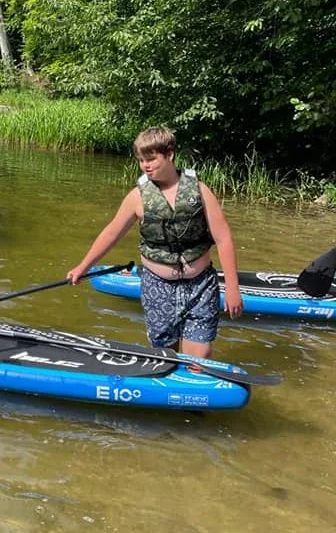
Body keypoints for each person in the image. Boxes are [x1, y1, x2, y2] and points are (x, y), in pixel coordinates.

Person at [67, 126, 243, 359]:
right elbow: (111, 234)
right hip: (157, 287)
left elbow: (223, 238)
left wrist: (232, 288)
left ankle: (192, 391)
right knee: (165, 357)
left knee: (198, 358)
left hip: (200, 285)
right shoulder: (136, 197)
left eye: (151, 159)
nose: (145, 166)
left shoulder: (200, 191)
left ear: (169, 155)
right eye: (141, 160)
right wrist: (83, 267)